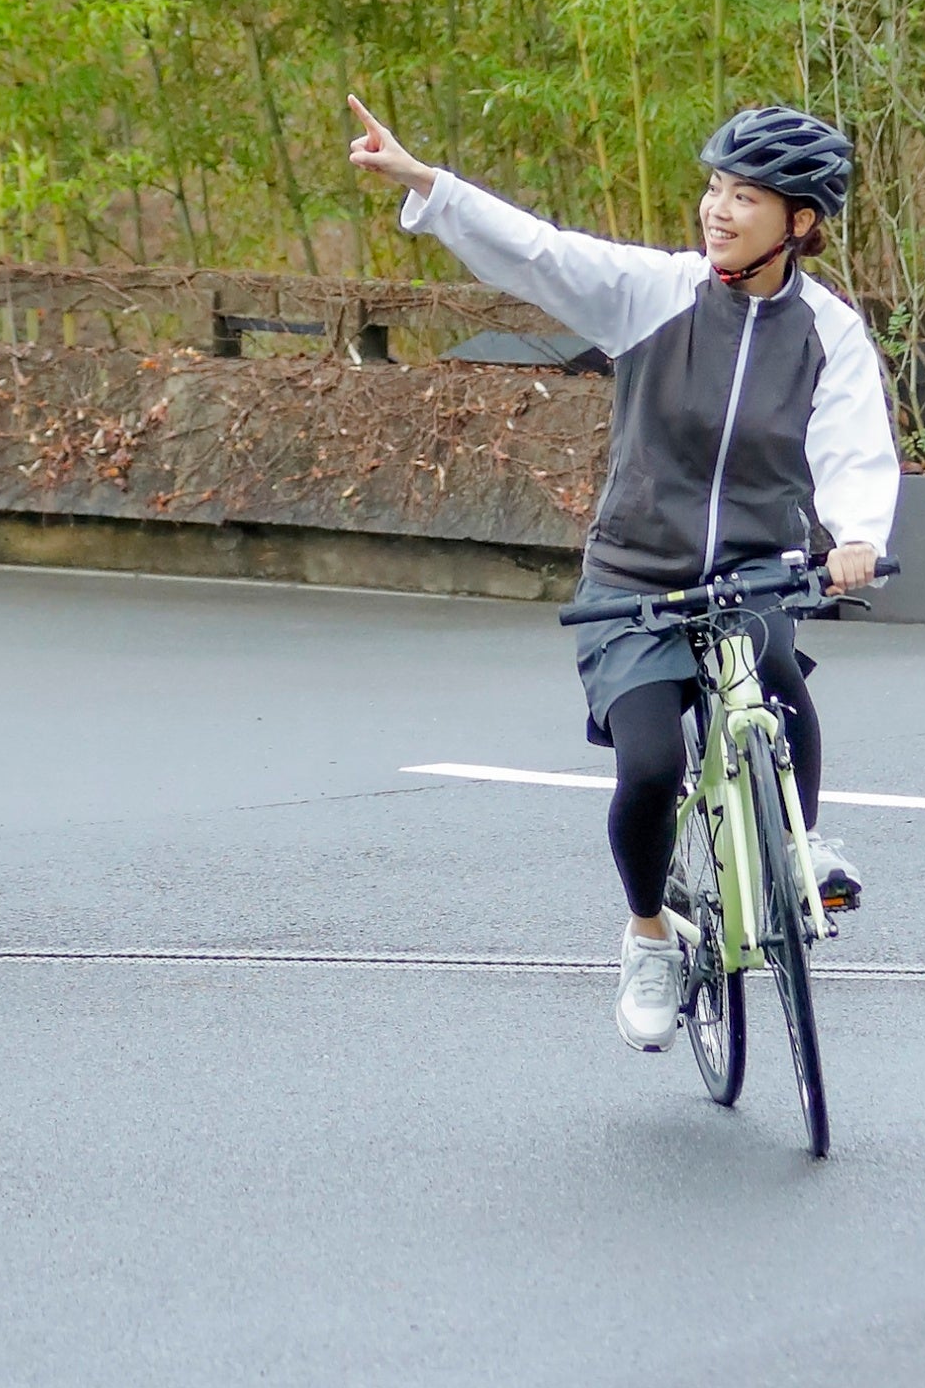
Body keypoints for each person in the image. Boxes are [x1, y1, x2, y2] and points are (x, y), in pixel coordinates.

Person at [344, 94, 896, 1053]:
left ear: (800, 224)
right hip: (636, 575)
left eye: (746, 198)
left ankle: (795, 847)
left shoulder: (830, 334)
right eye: (715, 189)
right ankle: (649, 933)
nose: (717, 210)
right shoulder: (657, 293)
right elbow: (541, 253)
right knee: (649, 763)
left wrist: (853, 537)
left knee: (778, 688)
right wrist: (430, 187)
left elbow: (852, 445)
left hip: (754, 571)